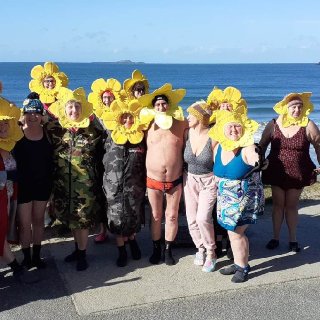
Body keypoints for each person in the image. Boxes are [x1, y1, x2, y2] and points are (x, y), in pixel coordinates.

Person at [46, 87, 103, 271]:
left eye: (77, 107)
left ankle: (83, 253)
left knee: (83, 220)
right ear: (64, 109)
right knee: (71, 220)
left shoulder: (93, 130)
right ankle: (77, 250)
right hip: (63, 185)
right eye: (70, 107)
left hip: (85, 186)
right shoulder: (56, 129)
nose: (74, 111)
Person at [259, 93, 320, 252]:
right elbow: (262, 145)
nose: (297, 109)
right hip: (276, 171)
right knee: (278, 206)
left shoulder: (308, 125)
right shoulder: (273, 124)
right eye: (293, 106)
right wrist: (259, 162)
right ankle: (275, 237)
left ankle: (293, 239)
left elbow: (319, 146)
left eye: (300, 106)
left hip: (298, 172)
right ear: (286, 107)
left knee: (291, 206)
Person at [209, 110, 265, 283]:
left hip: (243, 201)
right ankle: (239, 261)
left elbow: (257, 159)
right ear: (222, 130)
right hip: (225, 201)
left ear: (243, 129)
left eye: (237, 126)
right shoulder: (219, 147)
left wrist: (260, 160)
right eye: (230, 126)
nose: (233, 130)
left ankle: (243, 267)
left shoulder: (248, 148)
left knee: (236, 233)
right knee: (233, 233)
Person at [139, 83, 188, 265]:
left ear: (169, 105)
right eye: (157, 105)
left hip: (175, 180)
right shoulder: (146, 126)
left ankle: (168, 249)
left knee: (172, 216)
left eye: (164, 104)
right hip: (153, 180)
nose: (161, 107)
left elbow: (201, 130)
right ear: (153, 107)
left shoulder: (182, 124)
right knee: (156, 216)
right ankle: (156, 248)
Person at [101, 98, 148, 267]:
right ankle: (121, 250)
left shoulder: (140, 139)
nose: (128, 121)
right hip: (114, 186)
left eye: (131, 118)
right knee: (116, 218)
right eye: (124, 118)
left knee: (133, 216)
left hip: (134, 186)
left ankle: (133, 241)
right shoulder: (110, 136)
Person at [206, 86, 248, 258]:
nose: (224, 109)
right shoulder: (210, 126)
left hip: (233, 175)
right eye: (221, 106)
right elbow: (211, 148)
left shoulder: (238, 127)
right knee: (216, 212)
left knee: (233, 215)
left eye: (227, 106)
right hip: (213, 174)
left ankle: (232, 246)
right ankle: (218, 243)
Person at [14, 97, 53, 269]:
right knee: (24, 224)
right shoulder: (18, 133)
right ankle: (26, 256)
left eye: (36, 113)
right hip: (22, 186)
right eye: (29, 113)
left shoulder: (48, 133)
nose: (32, 116)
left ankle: (37, 256)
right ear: (24, 114)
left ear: (41, 115)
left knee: (38, 221)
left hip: (42, 184)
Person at [183, 101, 217, 272]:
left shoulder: (214, 136)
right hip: (189, 180)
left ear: (200, 117)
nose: (187, 117)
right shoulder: (187, 133)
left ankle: (211, 252)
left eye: (191, 114)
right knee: (191, 219)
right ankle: (200, 248)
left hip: (208, 181)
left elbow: (218, 162)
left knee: (203, 218)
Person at [88, 78, 121, 243]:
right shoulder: (94, 116)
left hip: (114, 159)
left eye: (110, 97)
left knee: (114, 195)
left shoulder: (119, 113)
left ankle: (118, 229)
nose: (107, 100)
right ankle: (102, 230)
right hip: (98, 157)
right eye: (105, 98)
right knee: (100, 195)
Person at [0, 95, 24, 278]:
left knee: (4, 228)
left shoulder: (12, 145)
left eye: (6, 123)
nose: (2, 126)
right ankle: (15, 266)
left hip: (8, 196)